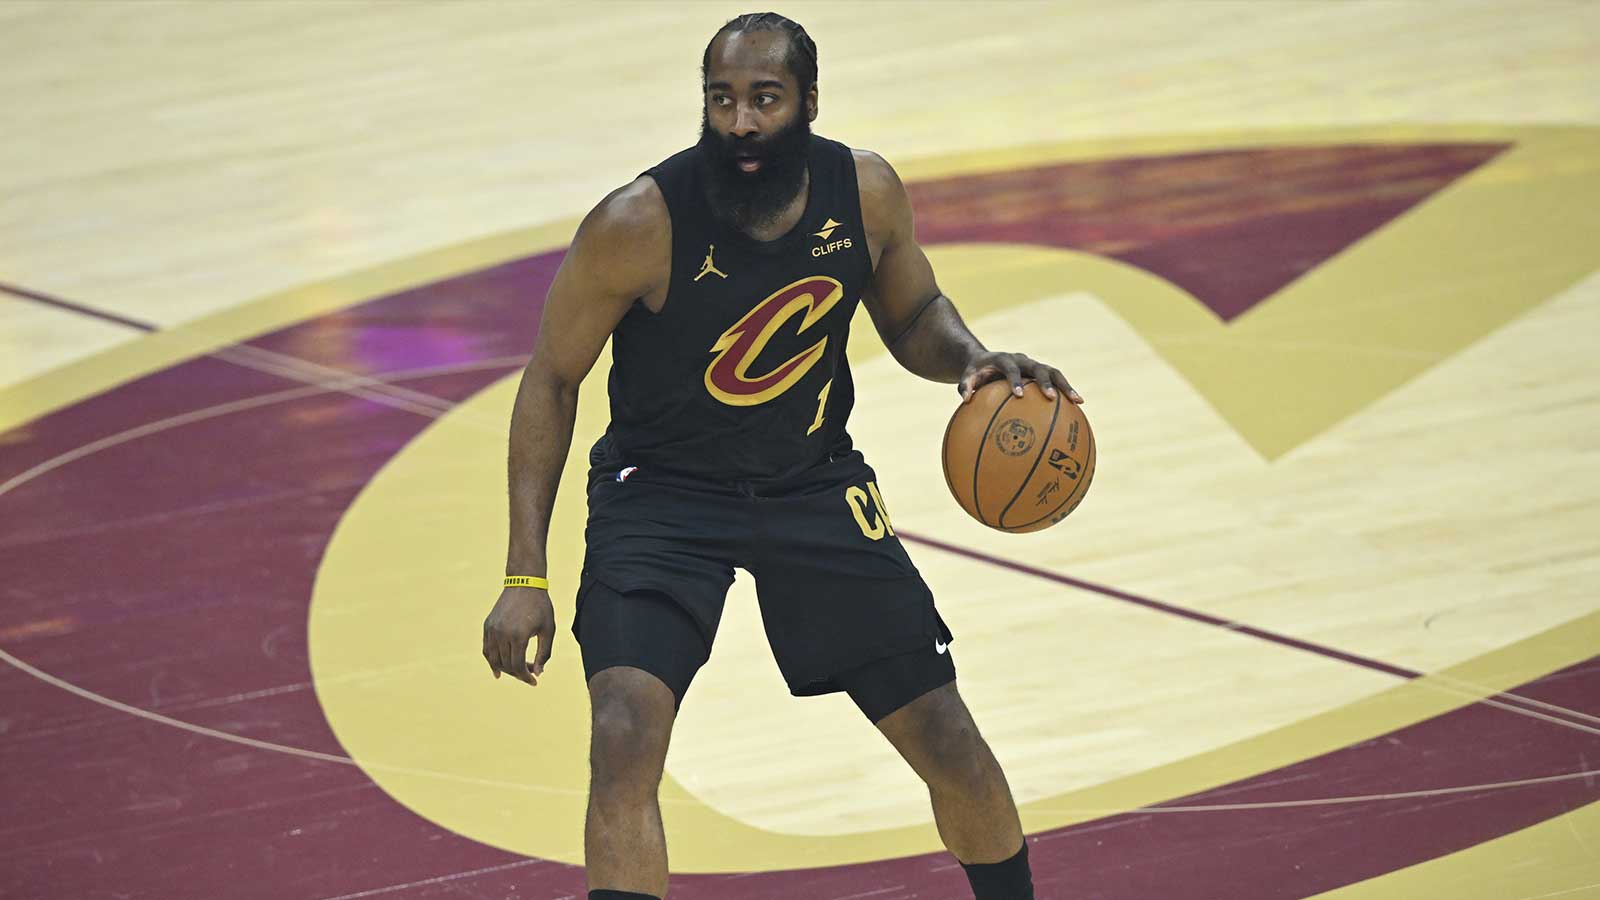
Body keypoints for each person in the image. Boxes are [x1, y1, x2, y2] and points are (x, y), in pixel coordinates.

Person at [482, 12, 1082, 900]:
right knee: (622, 735)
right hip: (662, 498)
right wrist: (523, 575)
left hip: (811, 483)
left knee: (946, 736)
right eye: (721, 100)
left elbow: (915, 314)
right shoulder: (638, 223)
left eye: (765, 100)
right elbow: (551, 380)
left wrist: (971, 359)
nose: (741, 123)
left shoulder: (865, 192)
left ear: (809, 101)